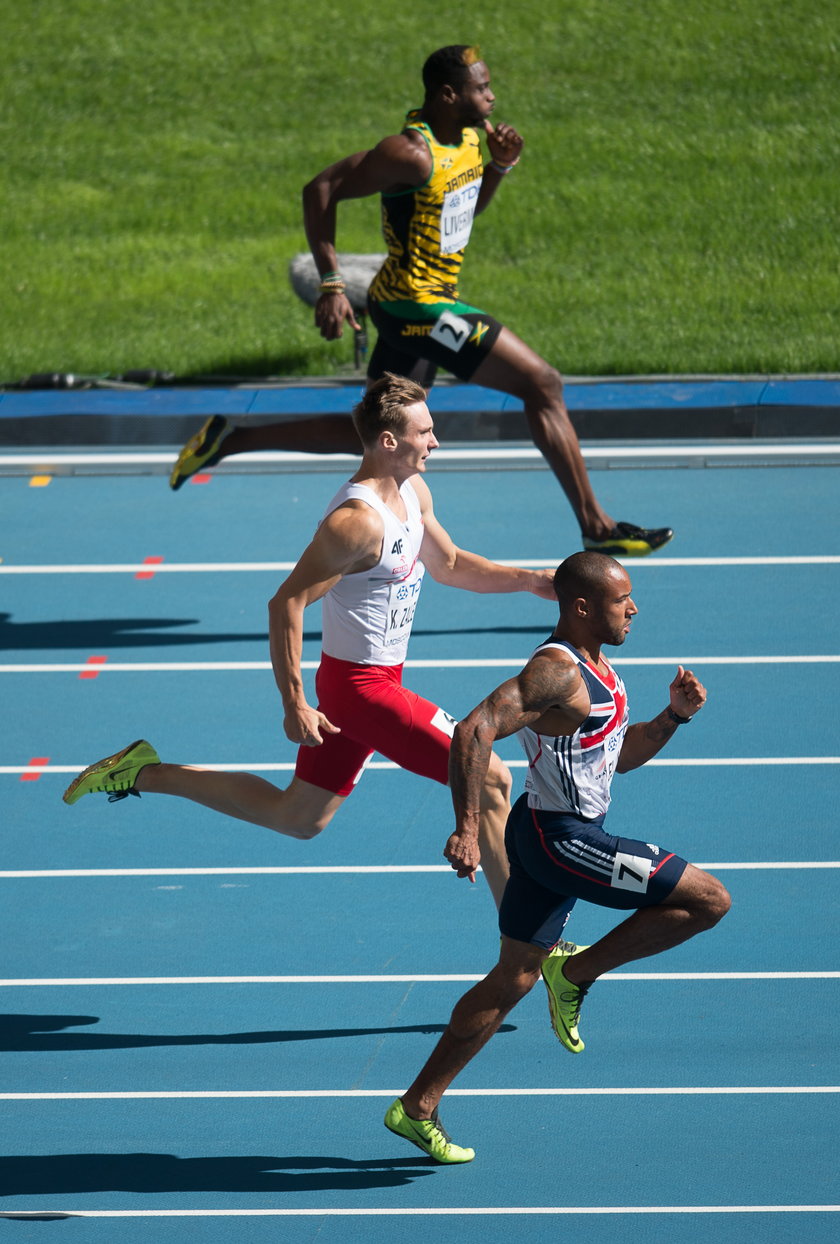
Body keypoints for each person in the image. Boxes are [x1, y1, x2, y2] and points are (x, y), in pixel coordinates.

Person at [62, 373, 558, 907]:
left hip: (375, 683)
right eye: (426, 432)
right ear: (389, 441)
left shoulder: (413, 491)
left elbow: (453, 564)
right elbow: (286, 602)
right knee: (488, 777)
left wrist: (530, 580)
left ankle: (143, 771)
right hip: (362, 691)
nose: (436, 441)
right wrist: (294, 702)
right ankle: (530, 944)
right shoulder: (355, 524)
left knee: (298, 817)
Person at [169, 45, 673, 560]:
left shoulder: (473, 142)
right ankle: (595, 524)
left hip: (427, 303)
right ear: (449, 95)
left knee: (369, 434)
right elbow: (319, 189)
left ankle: (227, 438)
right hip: (416, 310)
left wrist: (499, 165)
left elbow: (462, 215)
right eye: (482, 88)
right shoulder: (408, 154)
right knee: (542, 383)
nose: (492, 96)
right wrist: (332, 284)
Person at [382, 551, 731, 1163]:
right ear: (582, 607)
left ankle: (416, 1105)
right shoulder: (556, 672)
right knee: (708, 901)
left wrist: (673, 717)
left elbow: (618, 754)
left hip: (546, 833)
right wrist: (465, 828)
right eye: (623, 600)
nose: (634, 609)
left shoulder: (601, 670)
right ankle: (574, 973)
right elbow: (474, 728)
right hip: (561, 840)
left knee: (512, 975)